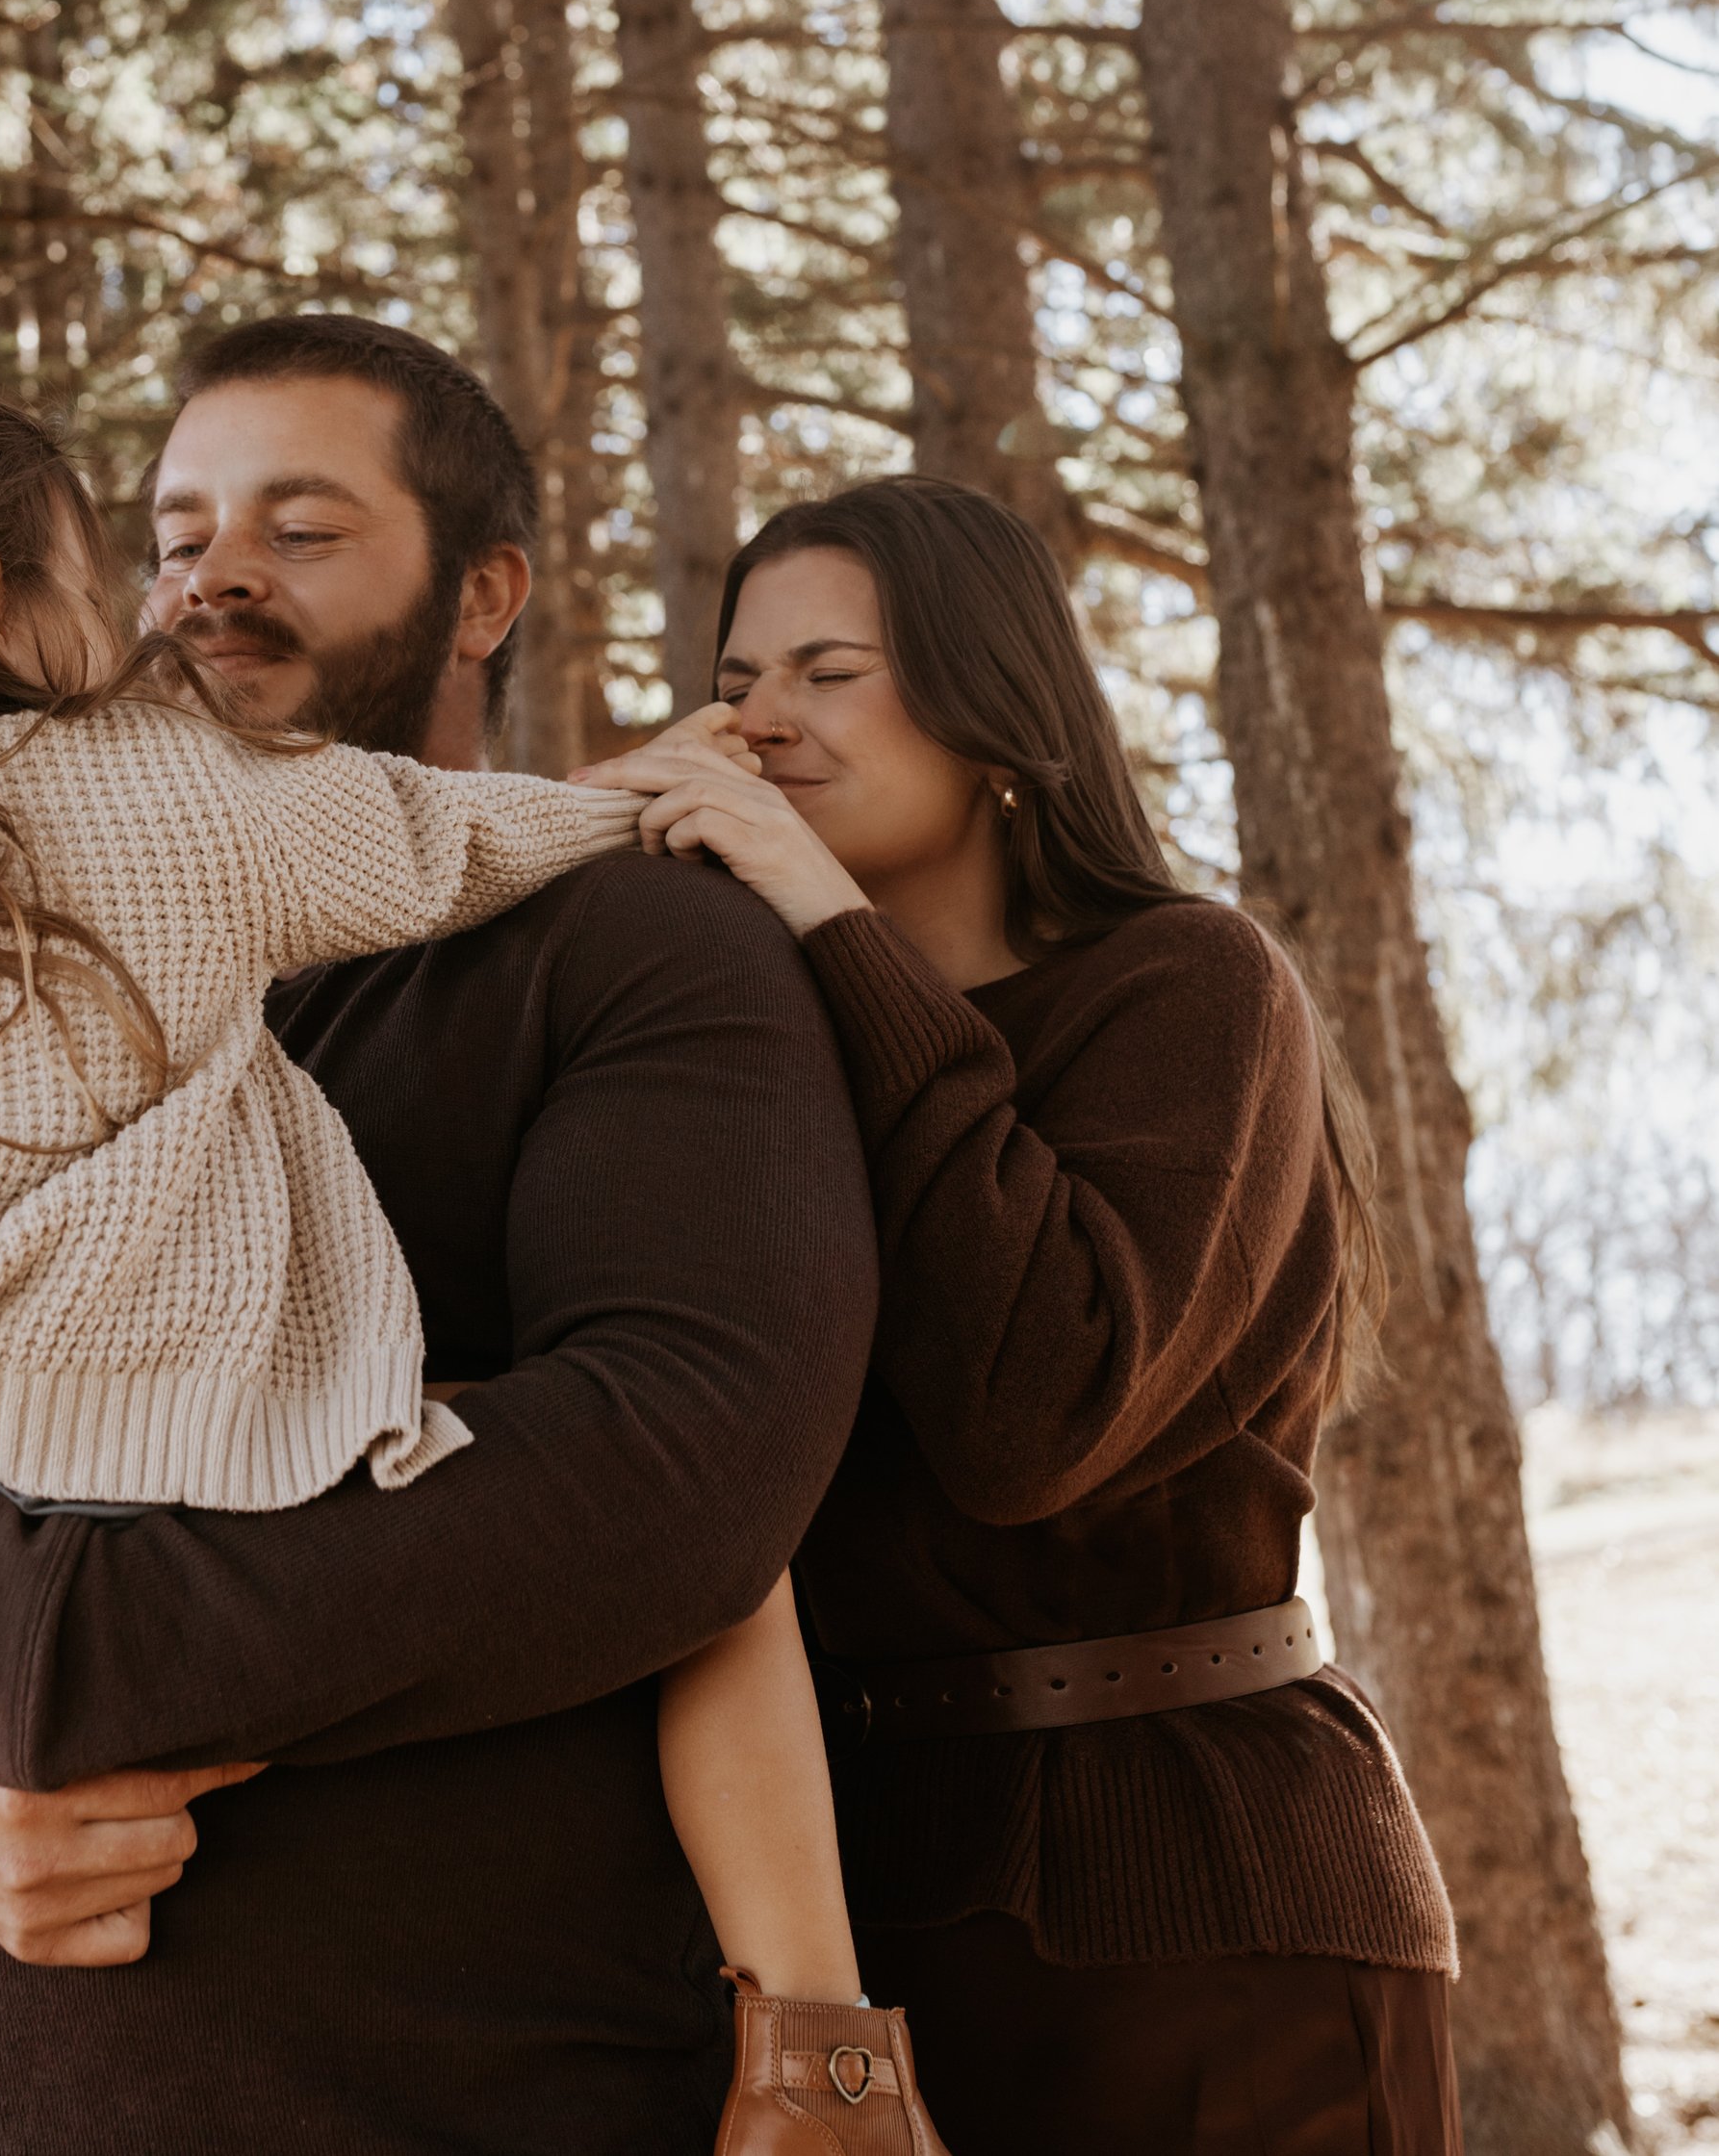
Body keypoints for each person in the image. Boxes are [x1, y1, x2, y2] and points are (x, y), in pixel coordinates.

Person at [0, 323, 895, 2156]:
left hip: (481, 2094)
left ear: (486, 592)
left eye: (302, 529)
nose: (214, 577)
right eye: (172, 534)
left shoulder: (635, 949)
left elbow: (687, 1473)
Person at [579, 474, 1462, 2156]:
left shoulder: (1191, 983)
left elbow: (1033, 1411)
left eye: (828, 673)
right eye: (738, 676)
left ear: (997, 709)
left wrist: (838, 932)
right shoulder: (746, 1039)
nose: (759, 722)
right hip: (837, 1928)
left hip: (1197, 1903)